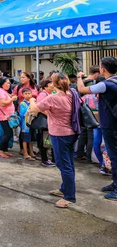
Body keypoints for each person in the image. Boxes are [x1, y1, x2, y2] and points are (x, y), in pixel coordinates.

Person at [28, 73, 78, 208]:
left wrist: (32, 100)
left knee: (63, 165)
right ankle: (65, 189)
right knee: (69, 163)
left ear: (54, 84)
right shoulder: (72, 94)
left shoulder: (53, 98)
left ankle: (69, 197)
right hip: (71, 132)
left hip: (59, 134)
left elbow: (34, 109)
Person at [77, 57, 117, 201]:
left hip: (110, 125)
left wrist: (79, 77)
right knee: (113, 155)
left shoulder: (105, 85)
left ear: (103, 69)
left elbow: (81, 89)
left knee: (114, 155)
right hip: (113, 123)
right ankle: (114, 183)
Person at [0, 76, 18, 159]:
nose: (9, 84)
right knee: (8, 133)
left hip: (8, 116)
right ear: (2, 84)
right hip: (3, 116)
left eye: (9, 83)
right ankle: (0, 150)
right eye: (7, 83)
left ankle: (4, 150)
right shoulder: (0, 92)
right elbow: (3, 103)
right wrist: (12, 99)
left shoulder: (3, 91)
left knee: (8, 133)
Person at [37, 78, 56, 167]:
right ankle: (44, 159)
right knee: (45, 140)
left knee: (48, 140)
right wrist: (50, 115)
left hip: (50, 121)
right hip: (45, 121)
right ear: (45, 87)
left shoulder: (51, 93)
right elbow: (40, 107)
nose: (53, 85)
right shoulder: (42, 95)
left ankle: (52, 159)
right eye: (51, 84)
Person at [19, 88, 35, 160]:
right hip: (25, 124)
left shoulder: (33, 102)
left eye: (29, 93)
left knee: (31, 139)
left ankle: (31, 152)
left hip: (32, 123)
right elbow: (23, 113)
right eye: (26, 93)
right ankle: (25, 153)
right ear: (22, 95)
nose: (28, 95)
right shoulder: (23, 103)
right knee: (25, 139)